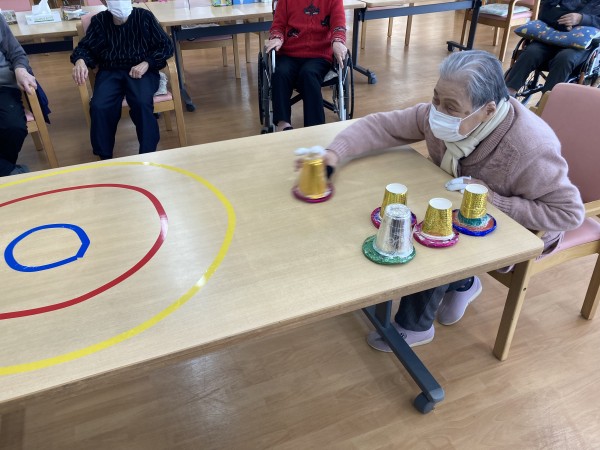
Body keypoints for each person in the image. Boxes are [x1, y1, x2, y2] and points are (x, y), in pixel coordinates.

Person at [322, 50, 585, 351]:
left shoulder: (528, 148)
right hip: (463, 204)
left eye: (450, 107)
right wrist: (335, 152)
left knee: (432, 234)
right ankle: (463, 282)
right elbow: (383, 126)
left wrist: (490, 200)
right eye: (436, 99)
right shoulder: (441, 116)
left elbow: (568, 214)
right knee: (415, 215)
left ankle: (414, 326)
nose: (437, 111)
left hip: (524, 226)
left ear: (488, 110)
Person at [71, 0, 174, 160]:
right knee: (99, 106)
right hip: (110, 71)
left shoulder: (144, 17)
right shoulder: (100, 21)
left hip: (141, 69)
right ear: (105, 2)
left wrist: (147, 63)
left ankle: (147, 154)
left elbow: (166, 46)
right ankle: (104, 157)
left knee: (141, 102)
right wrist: (80, 60)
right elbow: (85, 47)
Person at [265, 0, 348, 132]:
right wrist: (276, 37)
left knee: (309, 74)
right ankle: (283, 124)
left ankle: (314, 129)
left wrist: (338, 41)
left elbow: (338, 24)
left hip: (319, 55)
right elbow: (278, 25)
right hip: (289, 53)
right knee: (280, 73)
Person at [505, 0, 600, 96]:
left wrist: (581, 19)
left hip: (581, 45)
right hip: (551, 36)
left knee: (564, 58)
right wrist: (564, 21)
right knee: (531, 52)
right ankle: (507, 94)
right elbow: (544, 11)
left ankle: (547, 100)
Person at [0, 15, 38, 176]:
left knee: (14, 128)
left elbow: (17, 53)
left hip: (3, 86)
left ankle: (6, 170)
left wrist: (20, 69)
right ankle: (8, 171)